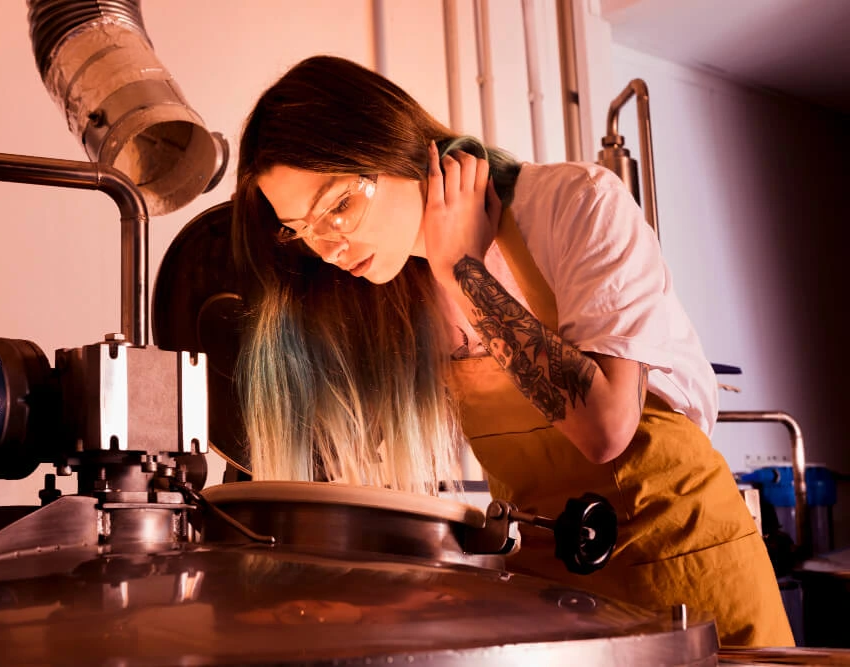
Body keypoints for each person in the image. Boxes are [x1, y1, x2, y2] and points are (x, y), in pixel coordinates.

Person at [229, 54, 793, 648]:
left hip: (690, 568)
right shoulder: (391, 298)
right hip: (555, 595)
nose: (328, 248)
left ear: (398, 147)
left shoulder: (577, 203)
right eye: (300, 229)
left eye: (338, 206)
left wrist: (463, 274)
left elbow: (605, 427)